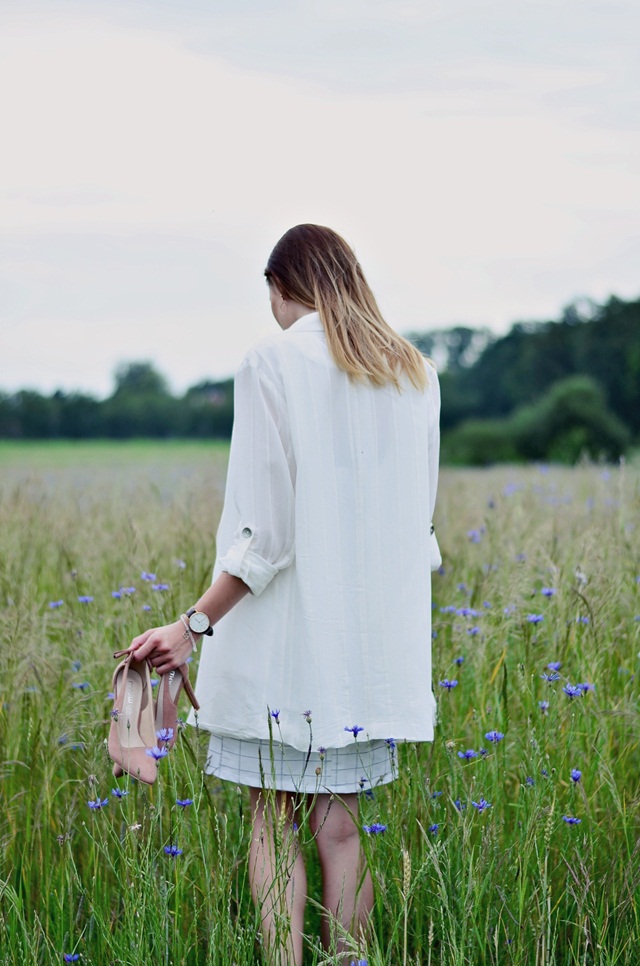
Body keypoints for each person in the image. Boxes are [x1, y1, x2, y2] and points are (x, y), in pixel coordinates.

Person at [128, 224, 441, 965]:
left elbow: (264, 536)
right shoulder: (414, 373)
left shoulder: (270, 361)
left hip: (283, 642)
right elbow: (417, 530)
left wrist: (190, 627)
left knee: (272, 822)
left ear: (279, 286)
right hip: (366, 647)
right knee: (342, 828)